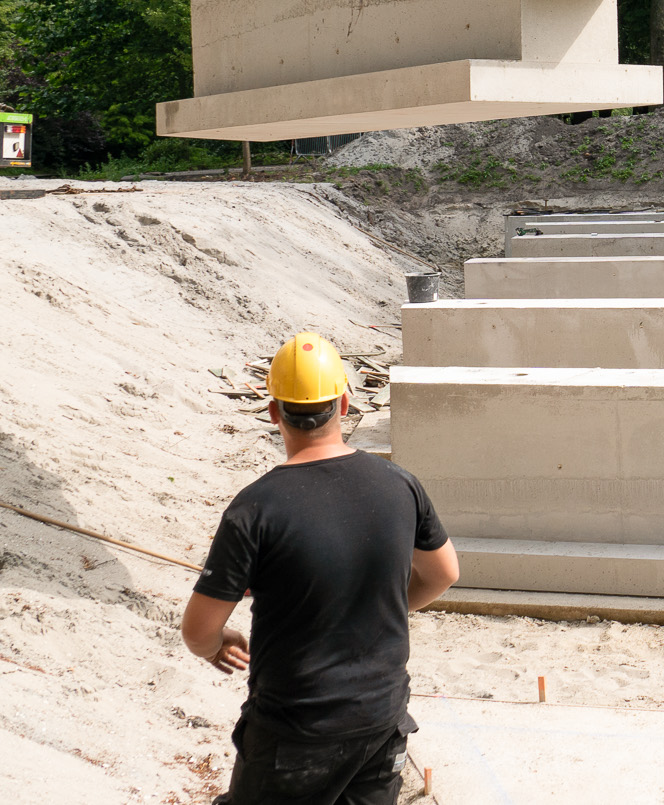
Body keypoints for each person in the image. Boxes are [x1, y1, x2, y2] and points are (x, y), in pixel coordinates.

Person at [181, 333, 460, 804]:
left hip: (294, 730)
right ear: (345, 403)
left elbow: (197, 631)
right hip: (381, 719)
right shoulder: (400, 485)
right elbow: (443, 573)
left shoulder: (255, 509)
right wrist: (377, 608)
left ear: (274, 412)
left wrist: (217, 644)